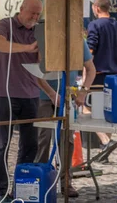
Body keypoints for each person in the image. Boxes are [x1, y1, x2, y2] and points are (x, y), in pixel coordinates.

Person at [0, 0, 61, 202]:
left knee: (29, 146)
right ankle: (1, 193)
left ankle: (20, 190)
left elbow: (36, 73)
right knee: (2, 145)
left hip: (30, 96)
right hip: (4, 94)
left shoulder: (38, 32)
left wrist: (50, 92)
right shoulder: (6, 24)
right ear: (21, 9)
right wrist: (27, 48)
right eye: (32, 12)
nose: (35, 17)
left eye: (38, 14)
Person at [35, 38, 96, 198]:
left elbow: (91, 69)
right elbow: (36, 72)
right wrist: (50, 93)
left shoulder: (78, 41)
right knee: (43, 138)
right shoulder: (46, 38)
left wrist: (83, 91)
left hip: (68, 96)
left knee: (67, 139)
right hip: (45, 96)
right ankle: (40, 180)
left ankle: (66, 182)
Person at [86, 0, 117, 162]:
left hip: (97, 74)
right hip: (116, 75)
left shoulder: (94, 25)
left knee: (86, 109)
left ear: (96, 8)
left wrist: (85, 74)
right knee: (108, 111)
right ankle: (104, 151)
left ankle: (105, 141)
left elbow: (90, 51)